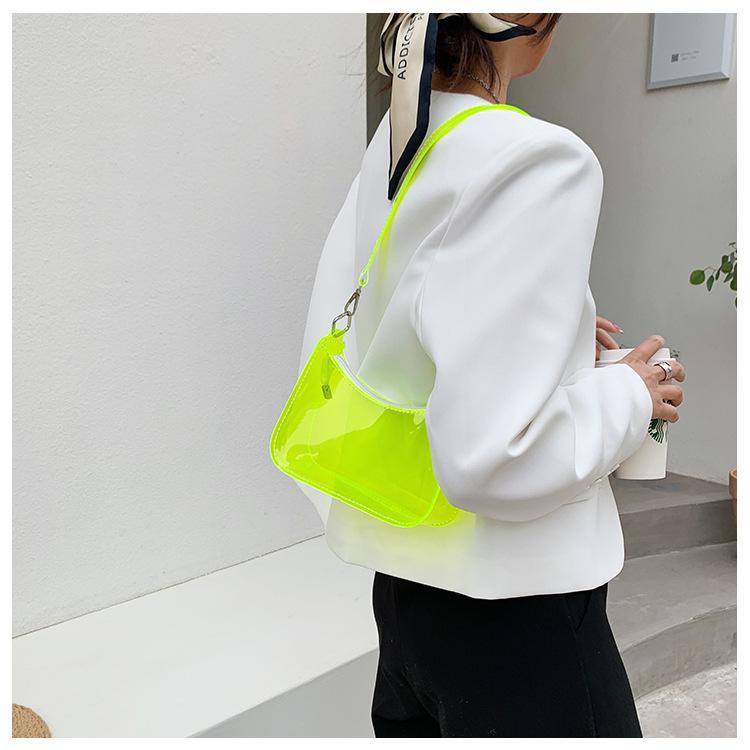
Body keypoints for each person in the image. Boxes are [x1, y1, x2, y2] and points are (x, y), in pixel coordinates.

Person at [294, 12, 686, 737]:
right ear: (530, 20)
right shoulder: (536, 157)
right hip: (517, 620)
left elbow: (401, 318)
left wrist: (554, 337)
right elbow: (493, 458)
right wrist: (632, 394)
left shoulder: (402, 140)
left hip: (405, 598)